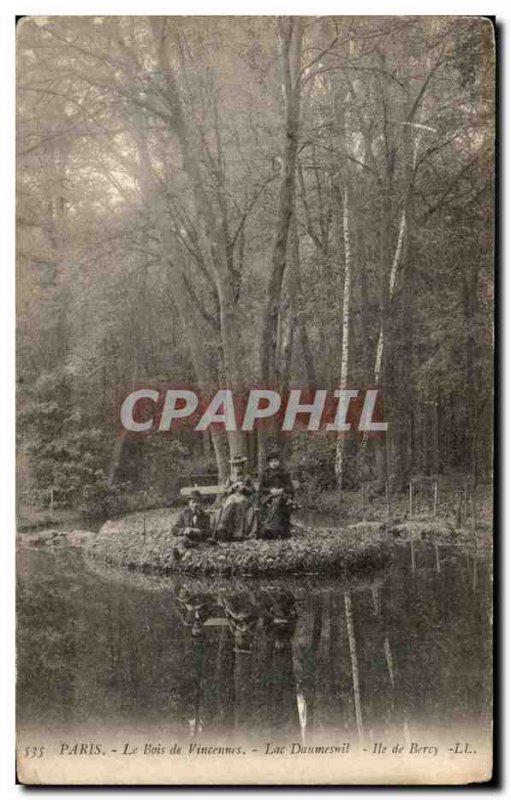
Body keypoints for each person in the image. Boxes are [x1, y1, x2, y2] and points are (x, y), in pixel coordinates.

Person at [215, 454, 256, 542]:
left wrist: (244, 488)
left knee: (238, 503)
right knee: (230, 503)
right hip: (232, 497)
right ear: (233, 467)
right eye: (235, 465)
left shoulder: (247, 477)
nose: (237, 467)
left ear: (242, 466)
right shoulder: (230, 477)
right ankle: (224, 528)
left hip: (244, 497)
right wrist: (232, 488)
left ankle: (237, 533)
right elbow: (225, 491)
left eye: (239, 465)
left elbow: (253, 490)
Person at [258, 450, 295, 540]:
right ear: (269, 463)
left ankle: (275, 529)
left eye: (275, 461)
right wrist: (271, 490)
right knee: (272, 502)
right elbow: (261, 488)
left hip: (282, 496)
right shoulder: (265, 473)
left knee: (279, 502)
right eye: (271, 461)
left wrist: (281, 490)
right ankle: (270, 527)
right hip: (269, 497)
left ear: (279, 461)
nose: (273, 463)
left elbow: (291, 488)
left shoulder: (284, 473)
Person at [171, 490, 214, 557]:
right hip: (187, 540)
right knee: (182, 540)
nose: (195, 504)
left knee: (206, 545)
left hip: (199, 541)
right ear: (189, 503)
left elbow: (208, 532)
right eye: (193, 502)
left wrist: (198, 531)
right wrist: (184, 530)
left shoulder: (205, 516)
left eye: (197, 502)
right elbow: (174, 529)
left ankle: (189, 553)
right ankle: (181, 552)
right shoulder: (184, 514)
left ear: (201, 503)